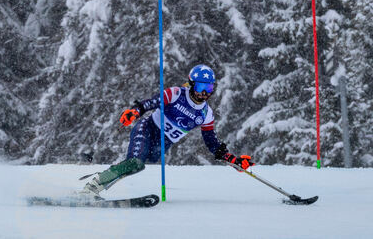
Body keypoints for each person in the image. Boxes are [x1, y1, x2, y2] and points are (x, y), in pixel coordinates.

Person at [82, 64, 254, 195]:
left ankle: (105, 177)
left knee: (135, 166)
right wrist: (136, 111)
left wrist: (234, 160)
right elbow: (152, 102)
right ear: (192, 84)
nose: (204, 93)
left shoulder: (206, 113)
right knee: (135, 162)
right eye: (201, 87)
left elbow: (212, 143)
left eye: (209, 88)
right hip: (147, 129)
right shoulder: (177, 94)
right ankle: (95, 185)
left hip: (162, 144)